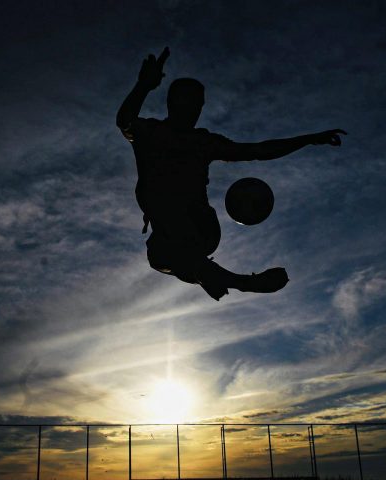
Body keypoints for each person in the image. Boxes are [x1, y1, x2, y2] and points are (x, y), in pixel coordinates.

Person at [116, 47, 346, 300]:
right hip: (172, 234)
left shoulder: (202, 141)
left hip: (198, 225)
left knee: (164, 247)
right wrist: (143, 86)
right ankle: (225, 278)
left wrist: (309, 139)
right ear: (174, 102)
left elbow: (258, 150)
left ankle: (225, 278)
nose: (195, 109)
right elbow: (125, 121)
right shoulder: (152, 133)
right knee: (158, 255)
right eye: (191, 101)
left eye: (199, 104)